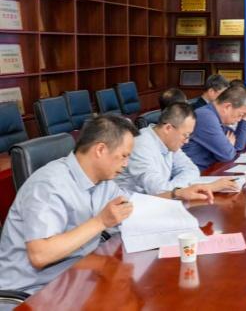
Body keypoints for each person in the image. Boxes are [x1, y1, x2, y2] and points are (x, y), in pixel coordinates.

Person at [0, 115, 213, 295]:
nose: (126, 164)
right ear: (100, 149)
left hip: (80, 275)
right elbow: (40, 255)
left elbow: (136, 206)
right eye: (124, 156)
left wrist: (178, 193)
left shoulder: (103, 182)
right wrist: (101, 222)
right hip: (34, 291)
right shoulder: (48, 185)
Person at [117, 102, 238, 195]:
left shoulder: (169, 142)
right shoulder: (141, 145)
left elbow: (191, 170)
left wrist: (177, 189)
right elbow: (159, 190)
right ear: (168, 128)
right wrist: (203, 187)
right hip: (132, 210)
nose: (187, 141)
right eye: (185, 135)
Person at [183, 86, 246, 170]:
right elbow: (227, 154)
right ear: (227, 107)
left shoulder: (215, 116)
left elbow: (238, 146)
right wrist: (229, 145)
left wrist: (244, 119)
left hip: (209, 170)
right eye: (240, 115)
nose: (239, 120)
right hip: (195, 173)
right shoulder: (206, 116)